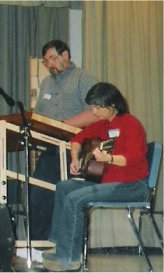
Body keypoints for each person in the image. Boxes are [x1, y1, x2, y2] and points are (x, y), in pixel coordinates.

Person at [41, 82, 149, 271]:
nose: (94, 111)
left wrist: (109, 158)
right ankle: (61, 246)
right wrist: (74, 158)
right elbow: (77, 139)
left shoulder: (131, 124)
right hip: (110, 184)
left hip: (132, 186)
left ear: (112, 106)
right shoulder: (104, 125)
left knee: (75, 199)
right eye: (93, 107)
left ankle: (69, 259)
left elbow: (132, 158)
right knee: (64, 186)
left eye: (98, 107)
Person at [29, 40, 99, 241]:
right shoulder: (46, 83)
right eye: (45, 61)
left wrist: (63, 125)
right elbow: (39, 116)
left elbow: (96, 113)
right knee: (39, 196)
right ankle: (40, 248)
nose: (49, 64)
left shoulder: (83, 78)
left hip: (78, 149)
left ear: (65, 55)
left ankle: (69, 250)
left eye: (52, 58)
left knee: (71, 199)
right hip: (51, 149)